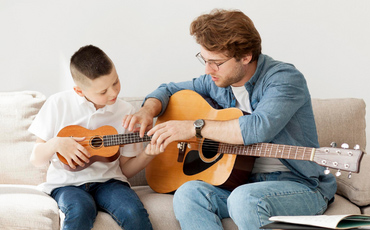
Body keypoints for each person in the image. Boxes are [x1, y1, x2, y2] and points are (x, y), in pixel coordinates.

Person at [122, 9, 337, 230]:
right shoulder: (216, 82)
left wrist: (193, 128)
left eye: (216, 62)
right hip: (243, 181)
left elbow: (257, 128)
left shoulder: (284, 79)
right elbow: (167, 90)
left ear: (246, 57)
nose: (208, 70)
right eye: (204, 60)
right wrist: (148, 110)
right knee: (188, 193)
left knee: (244, 199)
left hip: (299, 184)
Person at [28, 45, 162, 230]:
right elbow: (36, 159)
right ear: (79, 91)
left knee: (133, 212)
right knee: (80, 209)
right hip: (67, 185)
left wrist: (148, 154)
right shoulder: (57, 104)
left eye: (115, 82)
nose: (113, 93)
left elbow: (126, 170)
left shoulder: (127, 113)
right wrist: (56, 144)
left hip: (110, 182)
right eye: (102, 92)